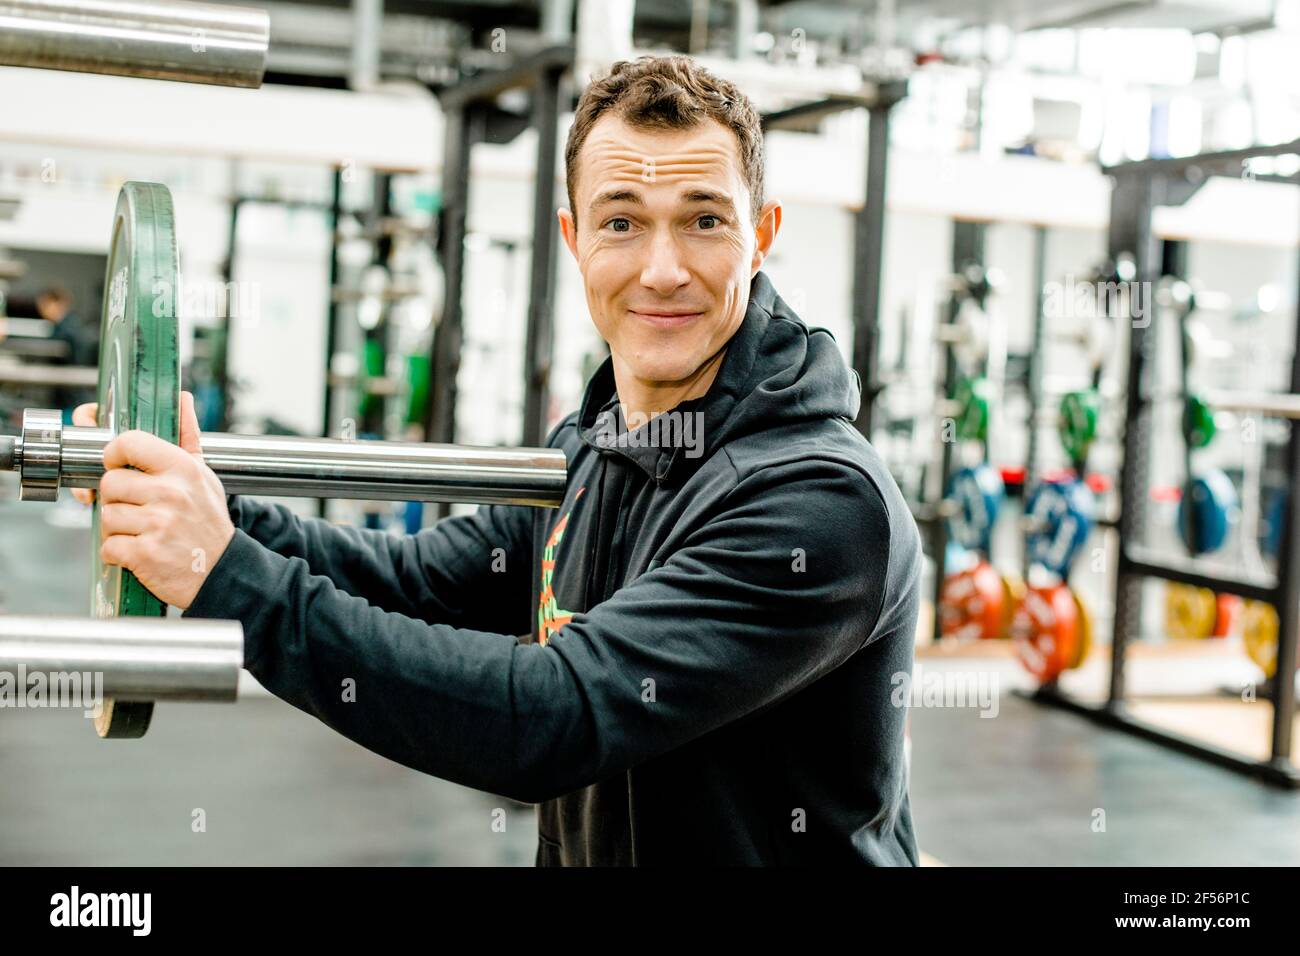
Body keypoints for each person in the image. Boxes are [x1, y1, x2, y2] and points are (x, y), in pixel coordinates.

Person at [75, 54, 923, 865]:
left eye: (704, 220)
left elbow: (553, 716)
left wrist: (224, 574)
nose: (663, 271)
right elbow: (414, 584)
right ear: (574, 237)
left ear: (761, 234)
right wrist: (195, 507)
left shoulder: (819, 503)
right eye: (621, 221)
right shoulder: (599, 445)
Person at [36, 284, 96, 420]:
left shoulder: (67, 329)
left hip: (71, 395)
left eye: (44, 305)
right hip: (71, 395)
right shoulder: (69, 325)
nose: (41, 311)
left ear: (56, 303)